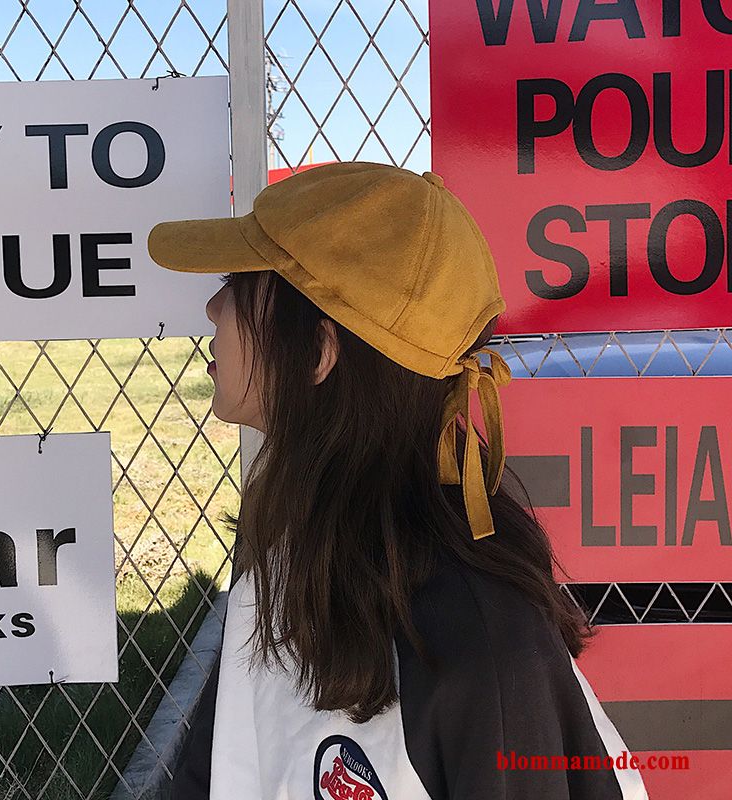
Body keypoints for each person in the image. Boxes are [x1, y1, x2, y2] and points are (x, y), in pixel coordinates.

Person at [147, 161, 649, 799]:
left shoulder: (481, 637)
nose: (214, 305)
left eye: (242, 282)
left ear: (322, 351)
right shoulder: (293, 563)